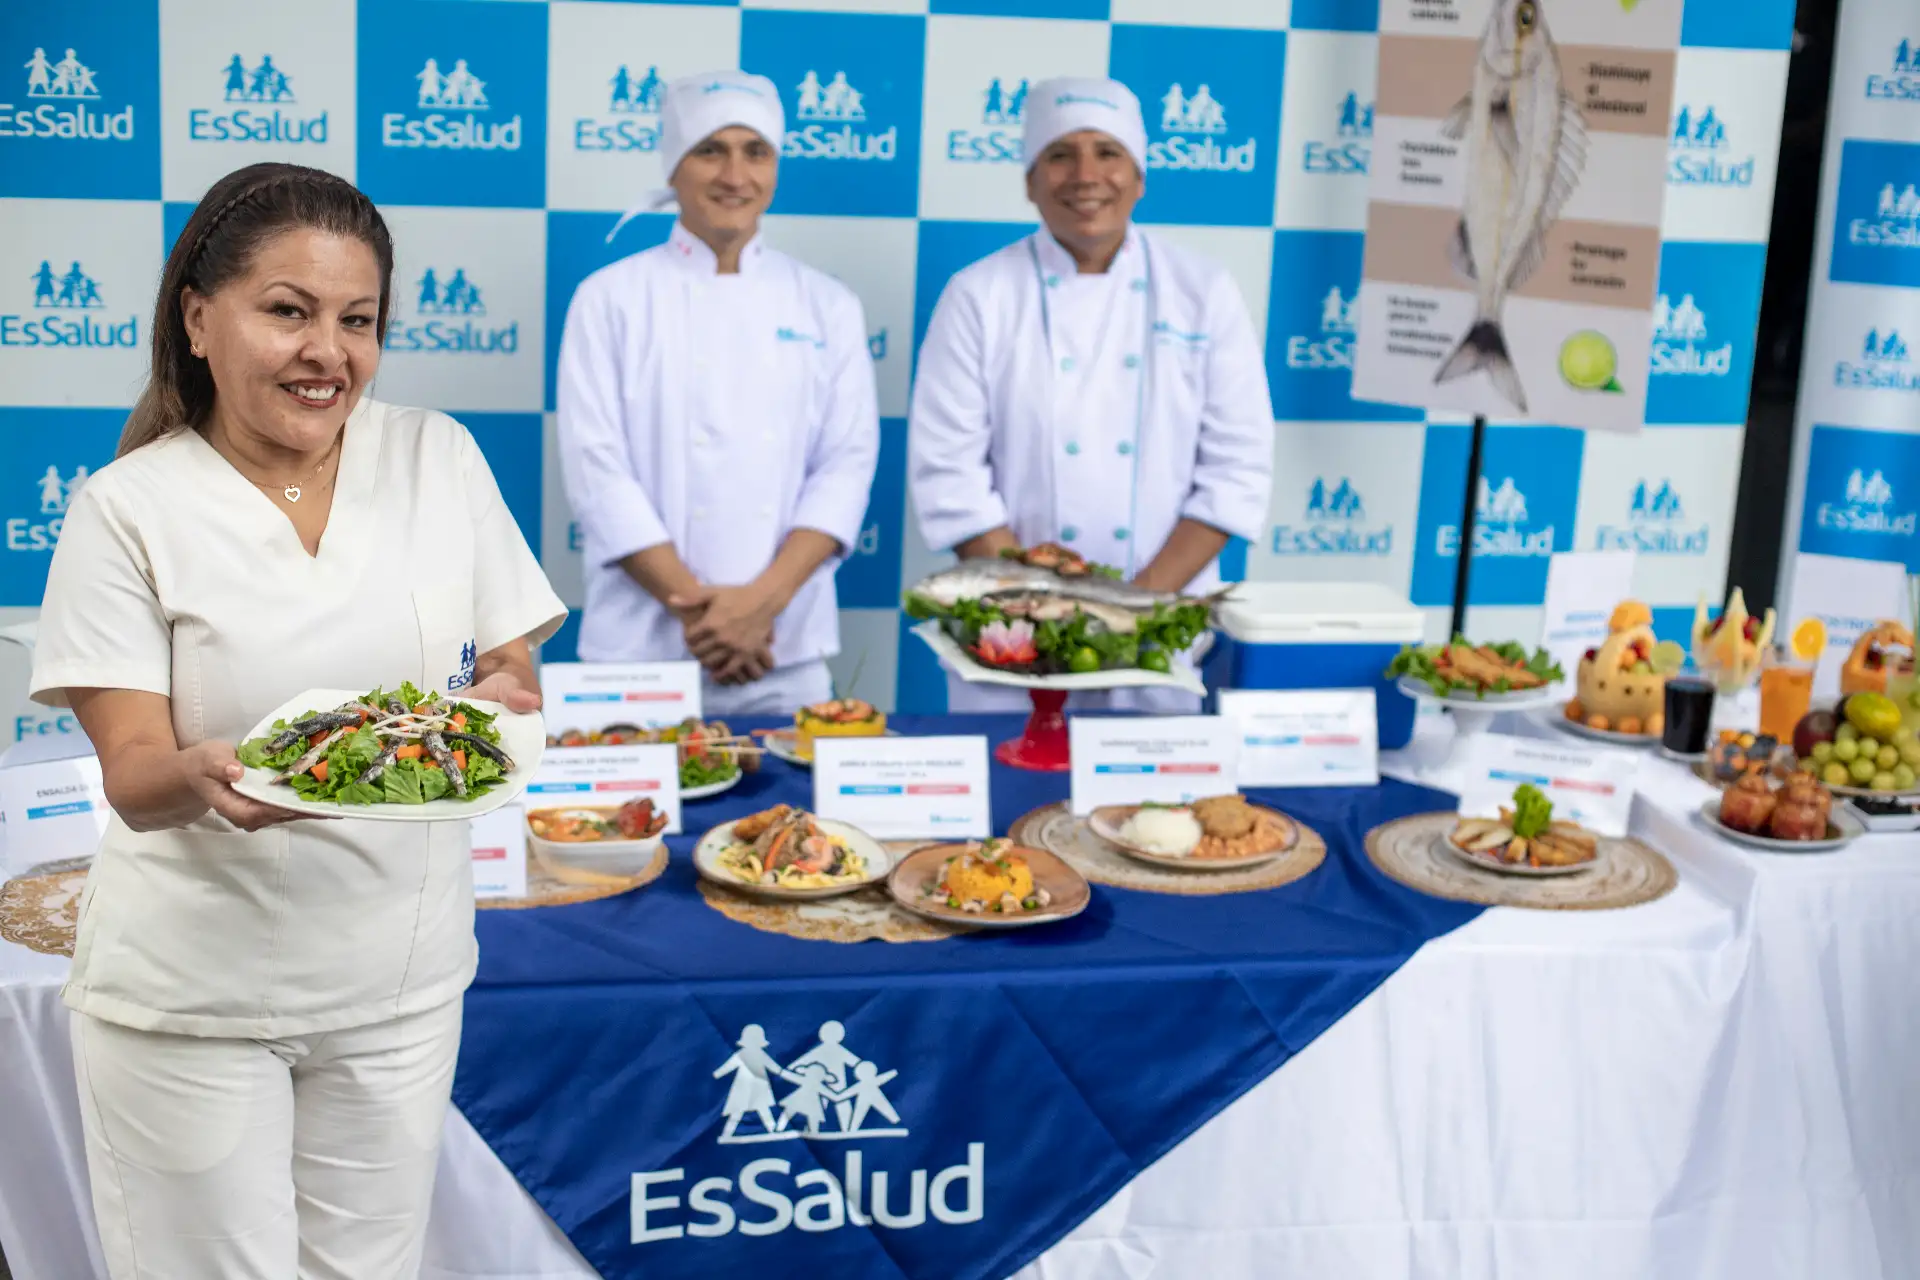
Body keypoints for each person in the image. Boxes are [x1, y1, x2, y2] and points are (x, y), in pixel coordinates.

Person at [29, 161, 566, 1277]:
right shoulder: (127, 509)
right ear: (197, 317)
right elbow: (132, 770)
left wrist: (507, 699)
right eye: (289, 310)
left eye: (357, 319)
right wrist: (204, 774)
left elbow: (509, 658)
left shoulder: (436, 457)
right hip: (193, 1000)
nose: (329, 351)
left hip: (402, 983)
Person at [908, 77, 1273, 712]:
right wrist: (1044, 616)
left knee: (1148, 808)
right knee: (1011, 797)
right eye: (1059, 154)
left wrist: (1130, 612)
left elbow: (1236, 470)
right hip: (1010, 635)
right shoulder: (978, 295)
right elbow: (951, 480)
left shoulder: (1203, 290)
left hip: (1159, 631)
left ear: (1140, 176)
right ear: (1029, 180)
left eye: (1108, 152)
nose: (1085, 174)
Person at [557, 70, 879, 715]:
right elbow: (598, 473)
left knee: (792, 819)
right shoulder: (610, 298)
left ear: (776, 168)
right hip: (642, 652)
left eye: (755, 151)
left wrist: (759, 607)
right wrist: (708, 618)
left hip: (780, 648)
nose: (736, 175)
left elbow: (845, 468)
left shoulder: (828, 305)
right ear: (674, 167)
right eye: (711, 150)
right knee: (622, 820)